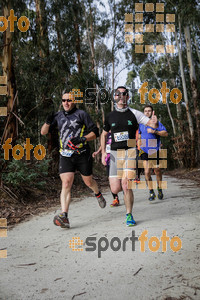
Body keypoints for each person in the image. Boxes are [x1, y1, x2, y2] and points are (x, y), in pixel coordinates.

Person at [41, 91, 106, 229]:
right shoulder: (58, 116)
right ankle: (64, 216)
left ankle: (98, 193)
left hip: (82, 154)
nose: (66, 103)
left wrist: (83, 139)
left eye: (69, 100)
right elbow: (43, 132)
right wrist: (47, 121)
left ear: (74, 101)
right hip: (65, 155)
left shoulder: (81, 114)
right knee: (66, 183)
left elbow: (95, 132)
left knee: (88, 181)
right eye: (64, 100)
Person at [101, 86, 158, 227]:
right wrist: (103, 152)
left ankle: (129, 214)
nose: (121, 96)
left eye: (124, 93)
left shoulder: (135, 114)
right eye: (118, 94)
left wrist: (154, 121)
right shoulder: (110, 116)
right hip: (114, 154)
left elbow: (150, 123)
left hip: (130, 151)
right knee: (115, 188)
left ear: (127, 96)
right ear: (115, 97)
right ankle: (121, 192)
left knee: (126, 184)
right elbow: (103, 134)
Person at [138, 105, 168, 201]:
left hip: (154, 149)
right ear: (143, 113)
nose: (147, 112)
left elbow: (165, 133)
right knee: (147, 172)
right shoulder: (140, 124)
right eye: (145, 111)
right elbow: (139, 135)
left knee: (157, 170)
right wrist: (139, 145)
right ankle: (151, 192)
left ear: (152, 112)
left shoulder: (156, 123)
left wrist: (155, 131)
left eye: (149, 111)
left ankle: (159, 188)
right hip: (144, 150)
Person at [92, 131, 120, 207]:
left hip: (118, 157)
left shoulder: (117, 129)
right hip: (109, 159)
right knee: (110, 179)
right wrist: (98, 151)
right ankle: (115, 198)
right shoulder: (106, 133)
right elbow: (103, 145)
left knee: (121, 178)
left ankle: (126, 193)